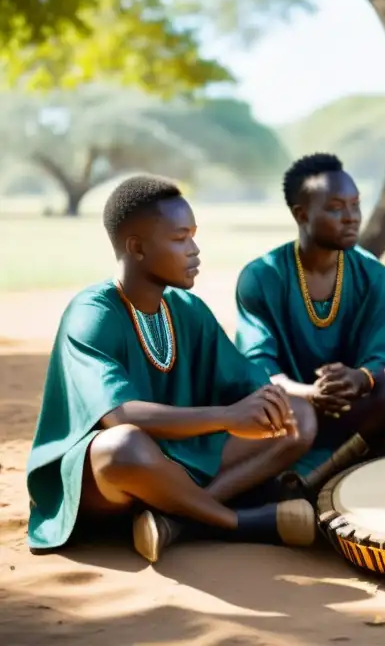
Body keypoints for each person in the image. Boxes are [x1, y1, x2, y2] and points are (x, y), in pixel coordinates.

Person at [26, 176, 321, 565]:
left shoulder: (187, 309)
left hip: (180, 457)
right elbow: (119, 415)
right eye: (181, 239)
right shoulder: (92, 313)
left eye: (194, 237)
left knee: (296, 417)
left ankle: (180, 521)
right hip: (109, 478)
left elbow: (245, 382)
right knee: (125, 446)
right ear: (137, 248)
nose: (195, 250)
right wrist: (227, 417)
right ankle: (234, 522)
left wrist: (269, 400)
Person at [234, 153, 385, 464]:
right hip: (290, 409)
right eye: (335, 208)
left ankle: (333, 467)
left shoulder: (374, 275)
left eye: (355, 204)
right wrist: (307, 393)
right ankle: (327, 466)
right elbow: (256, 365)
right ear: (301, 215)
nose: (351, 216)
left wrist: (360, 378)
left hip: (354, 408)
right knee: (264, 403)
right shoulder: (262, 277)